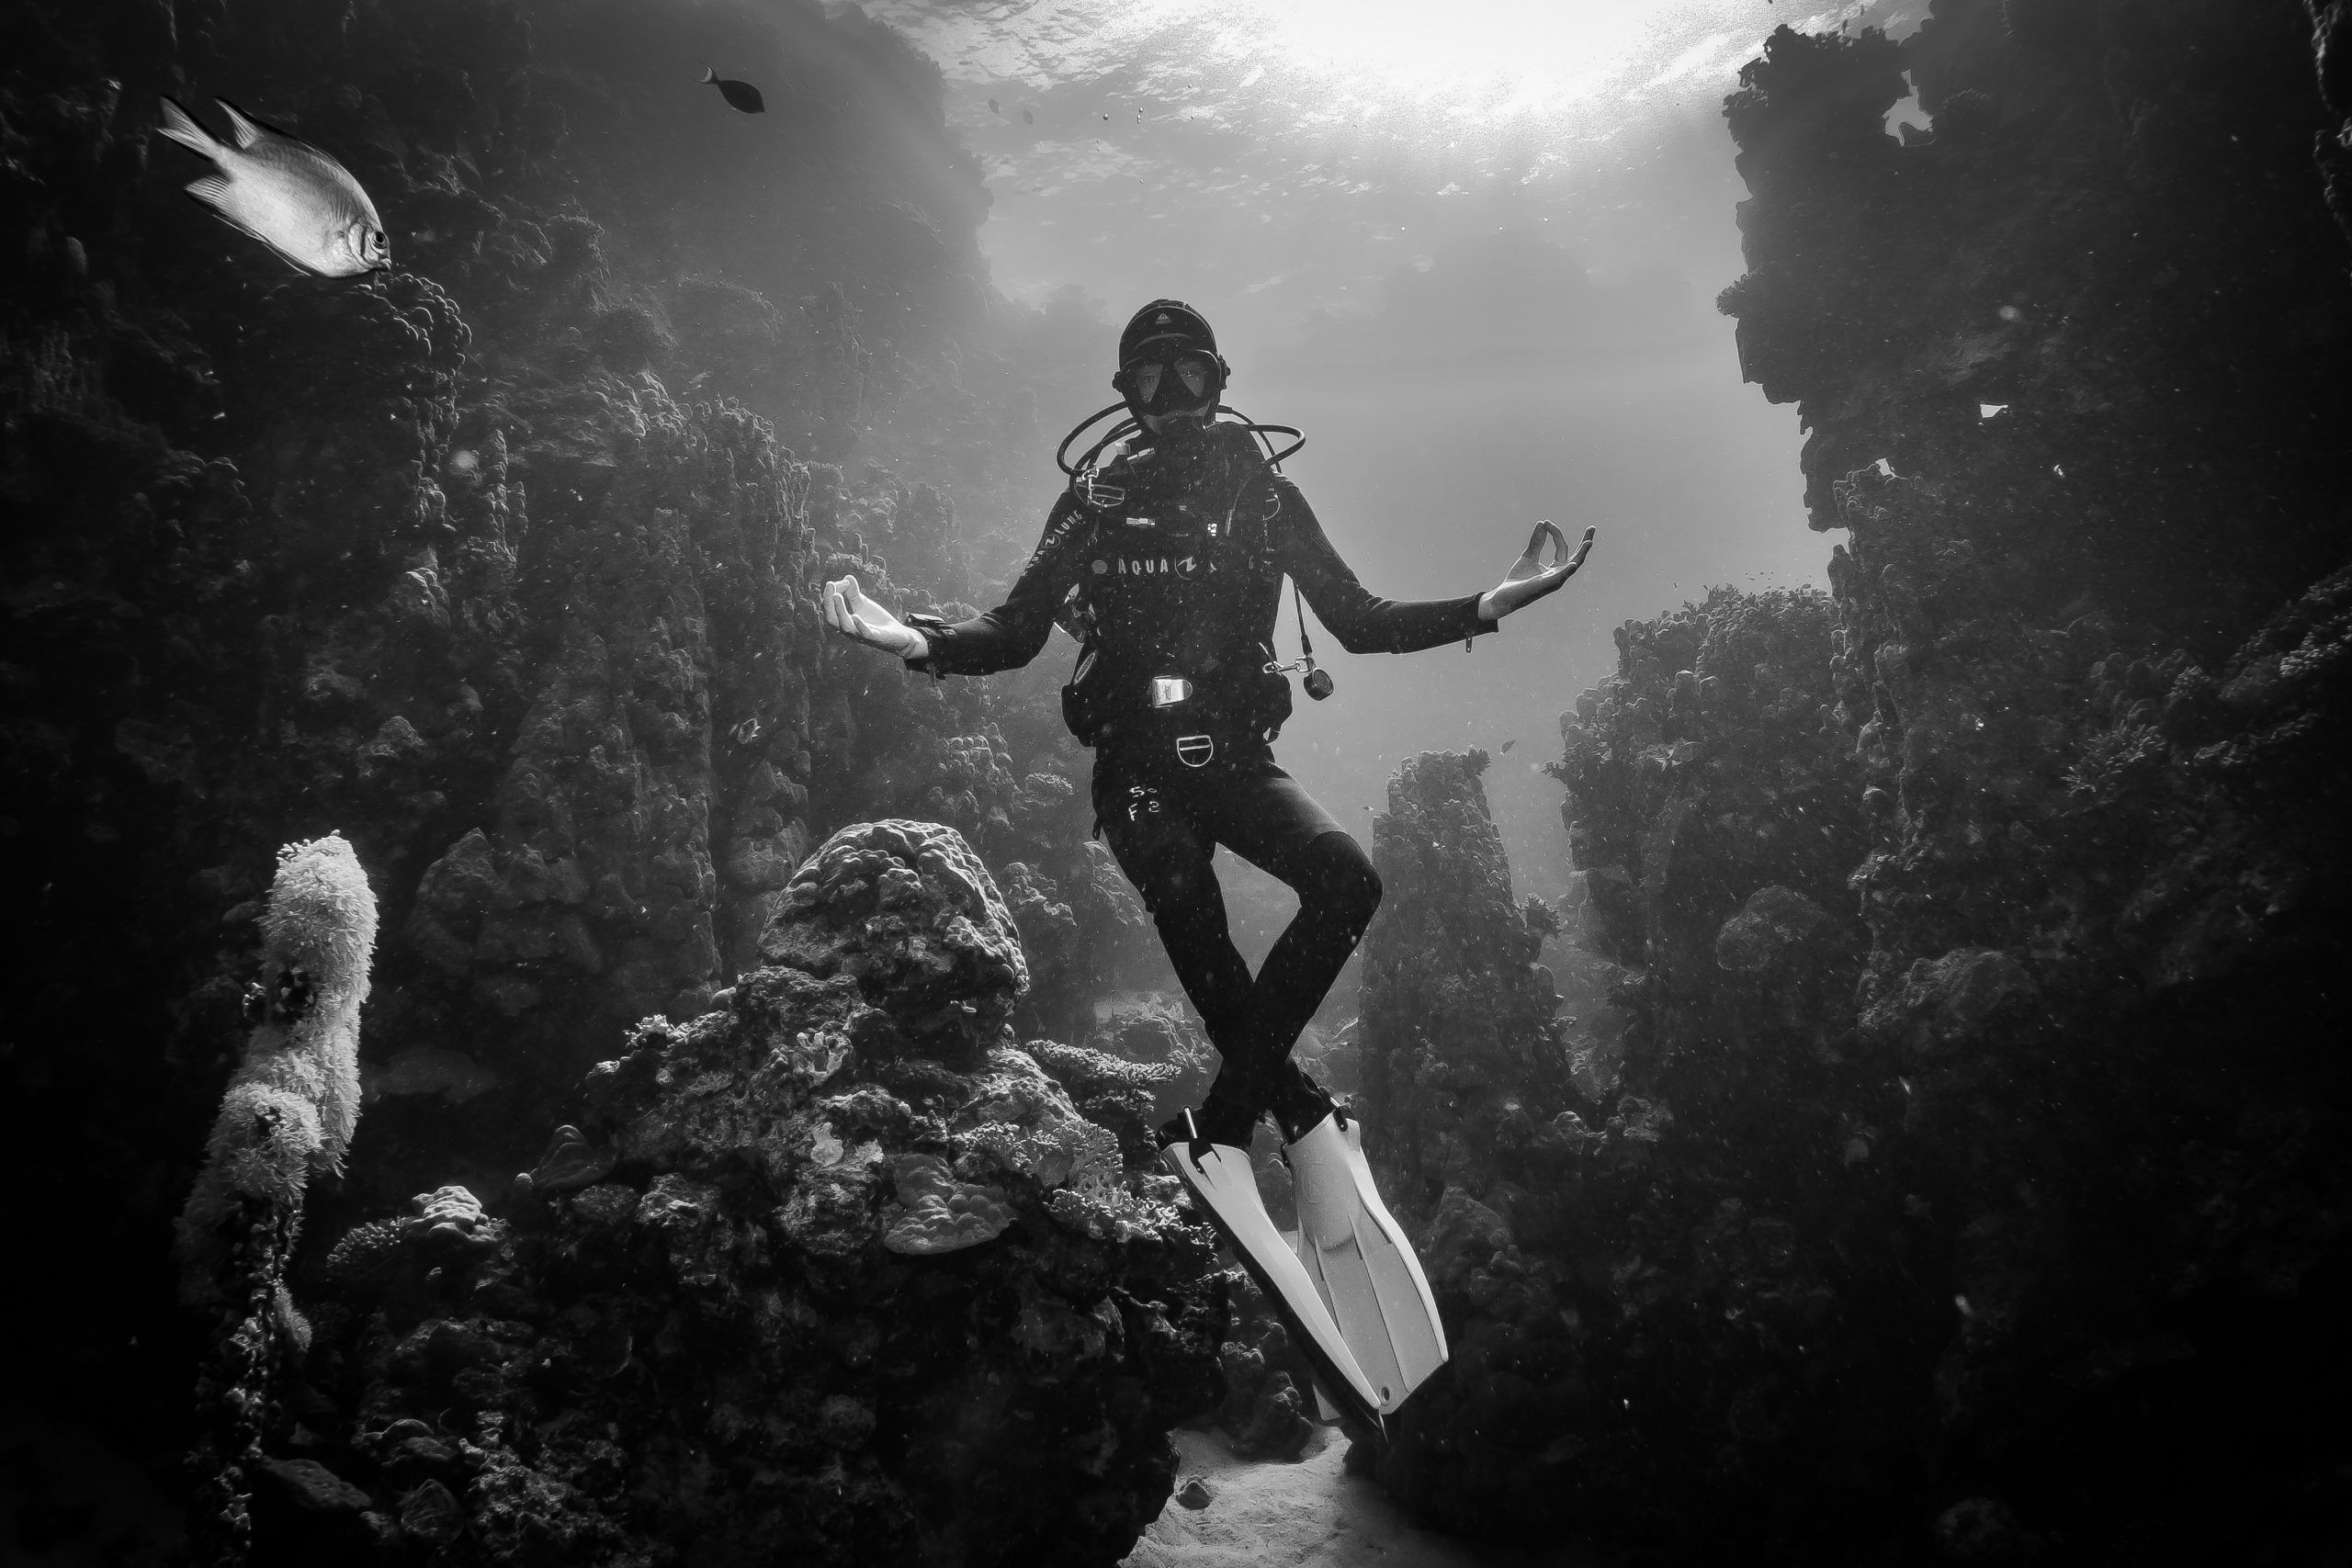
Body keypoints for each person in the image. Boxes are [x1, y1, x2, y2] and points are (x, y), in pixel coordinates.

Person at [822, 298, 1592, 1154]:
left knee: (1348, 883)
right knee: (1186, 893)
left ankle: (1235, 1118)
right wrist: (918, 638)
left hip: (1236, 756)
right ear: (1125, 395)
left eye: (1192, 370)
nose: (1174, 394)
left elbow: (1361, 620)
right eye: (1150, 377)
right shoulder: (1093, 503)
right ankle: (1275, 1108)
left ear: (1222, 381)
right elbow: (1014, 631)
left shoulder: (1266, 499)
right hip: (1134, 766)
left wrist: (1487, 605)